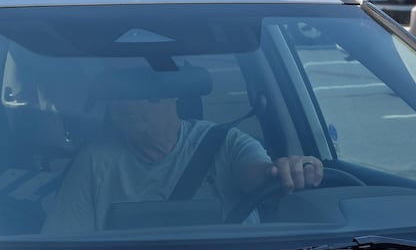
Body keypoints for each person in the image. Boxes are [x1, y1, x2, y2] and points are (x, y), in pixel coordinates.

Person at [43, 91, 324, 232]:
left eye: (143, 92)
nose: (127, 103)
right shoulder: (94, 160)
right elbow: (60, 243)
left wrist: (288, 171)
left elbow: (259, 175)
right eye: (118, 94)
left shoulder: (226, 143)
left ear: (173, 95)